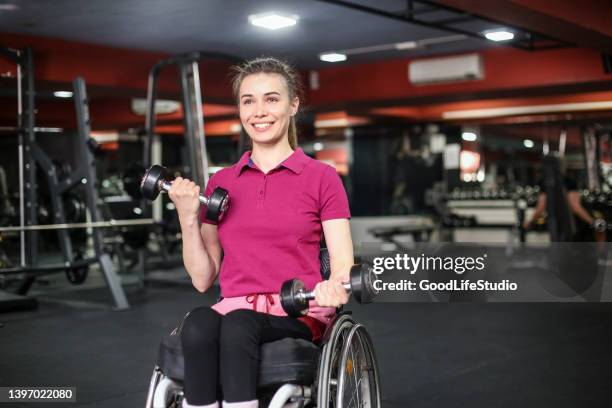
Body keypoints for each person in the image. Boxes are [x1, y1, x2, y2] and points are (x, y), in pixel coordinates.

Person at [167, 57, 354, 408]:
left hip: (296, 311)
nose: (259, 111)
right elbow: (203, 279)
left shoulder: (322, 178)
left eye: (271, 99)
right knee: (197, 323)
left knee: (239, 326)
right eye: (248, 100)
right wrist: (187, 217)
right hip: (233, 310)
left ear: (293, 105)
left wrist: (335, 286)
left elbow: (343, 264)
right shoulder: (221, 183)